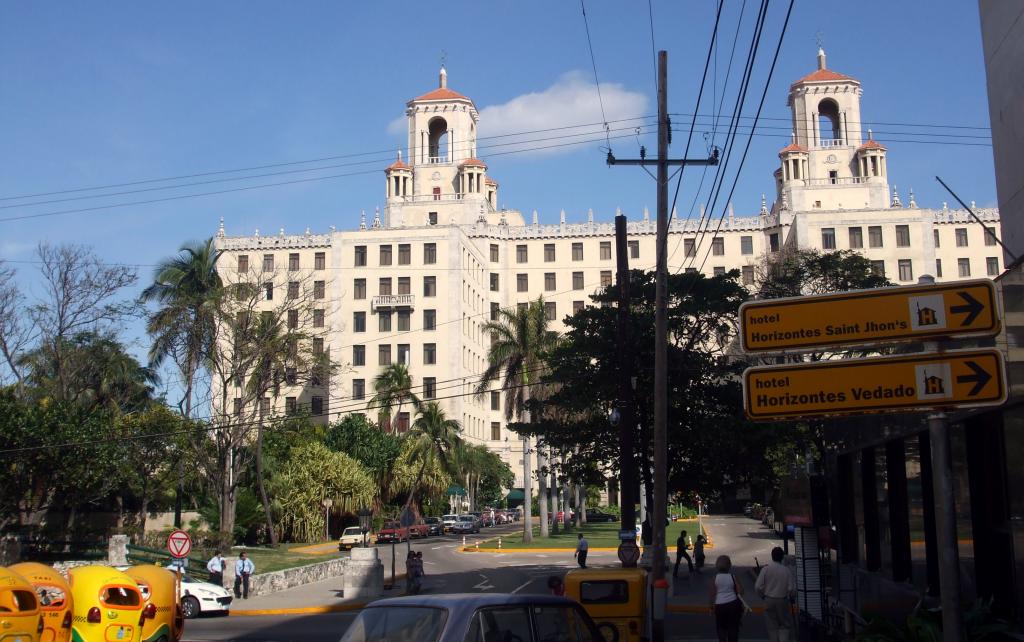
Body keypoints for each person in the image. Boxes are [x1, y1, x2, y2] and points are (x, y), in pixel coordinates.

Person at [755, 547, 796, 642]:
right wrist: (792, 596)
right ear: (782, 557)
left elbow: (757, 586)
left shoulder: (765, 569)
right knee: (784, 625)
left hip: (768, 599)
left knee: (772, 627)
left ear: (772, 556)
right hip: (782, 600)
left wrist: (762, 596)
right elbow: (792, 589)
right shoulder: (786, 571)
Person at [708, 555, 744, 642]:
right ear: (729, 565)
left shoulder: (715, 578)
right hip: (733, 605)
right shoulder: (733, 577)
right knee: (733, 628)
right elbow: (741, 591)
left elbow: (712, 594)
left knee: (721, 627)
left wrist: (711, 607)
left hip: (720, 605)